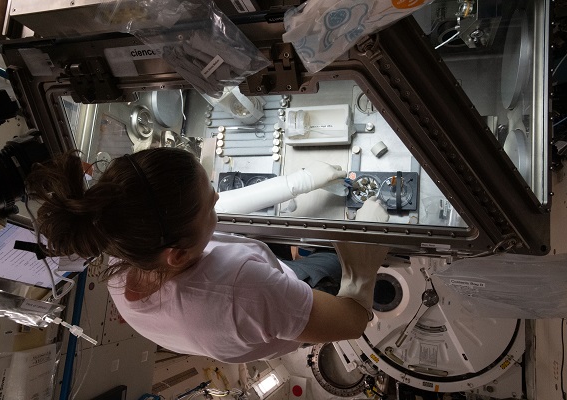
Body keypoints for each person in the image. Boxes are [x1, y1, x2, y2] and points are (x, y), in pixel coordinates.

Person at [25, 147, 388, 363]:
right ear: (178, 255)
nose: (217, 202)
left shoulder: (123, 260)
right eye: (210, 209)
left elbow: (211, 205)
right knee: (328, 269)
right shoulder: (244, 290)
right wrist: (361, 267)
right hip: (285, 311)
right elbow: (353, 323)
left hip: (259, 307)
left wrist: (298, 182)